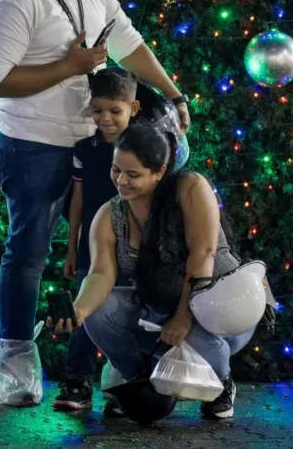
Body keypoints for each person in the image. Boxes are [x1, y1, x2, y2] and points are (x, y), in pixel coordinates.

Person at [0, 0, 191, 406]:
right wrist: (68, 66)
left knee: (110, 254)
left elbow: (126, 41)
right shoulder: (14, 2)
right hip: (33, 144)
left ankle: (113, 364)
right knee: (28, 251)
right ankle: (16, 366)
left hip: (97, 143)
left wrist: (173, 94)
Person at [51, 122, 265, 421]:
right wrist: (79, 311)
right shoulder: (109, 214)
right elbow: (100, 274)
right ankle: (140, 380)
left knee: (195, 340)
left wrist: (184, 316)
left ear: (160, 171)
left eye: (133, 174)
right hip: (161, 312)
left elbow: (203, 253)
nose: (121, 181)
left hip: (221, 310)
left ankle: (221, 384)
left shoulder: (190, 187)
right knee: (99, 313)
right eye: (116, 170)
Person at [55, 68, 140, 413]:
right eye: (97, 110)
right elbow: (76, 200)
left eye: (115, 111)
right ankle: (77, 380)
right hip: (91, 248)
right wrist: (71, 247)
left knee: (129, 315)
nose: (105, 119)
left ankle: (128, 385)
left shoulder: (143, 149)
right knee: (84, 312)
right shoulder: (84, 150)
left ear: (133, 109)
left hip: (133, 250)